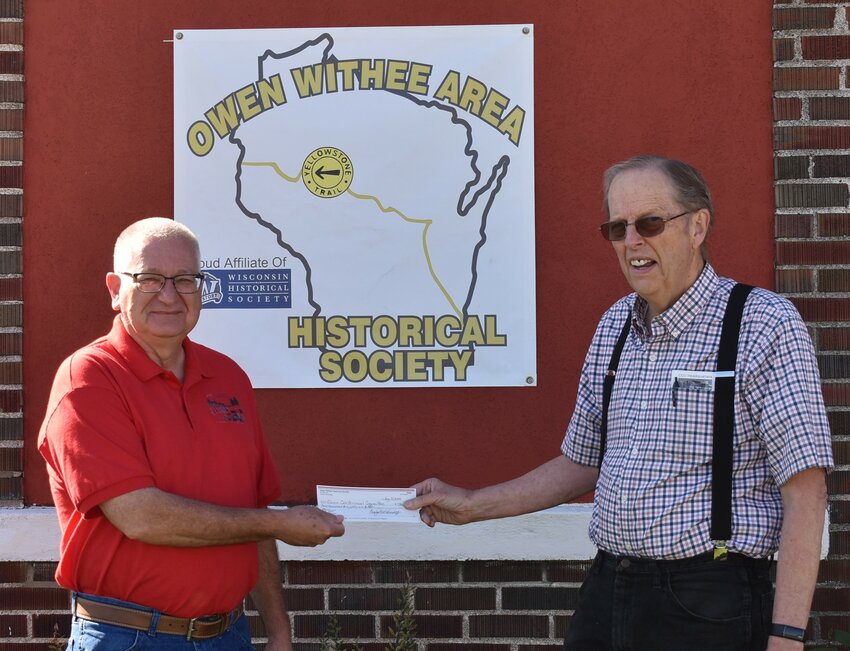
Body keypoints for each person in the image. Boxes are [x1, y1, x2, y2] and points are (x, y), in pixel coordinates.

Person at [405, 155, 834, 651]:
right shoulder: (614, 327)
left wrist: (786, 637)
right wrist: (473, 504)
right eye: (617, 227)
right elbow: (582, 462)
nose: (632, 242)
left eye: (650, 222)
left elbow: (806, 492)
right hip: (608, 589)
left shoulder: (761, 324)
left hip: (708, 602)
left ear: (698, 226)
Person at [37, 217, 345, 650]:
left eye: (185, 279)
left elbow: (252, 514)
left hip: (229, 634)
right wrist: (277, 522)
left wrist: (278, 631)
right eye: (148, 279)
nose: (169, 295)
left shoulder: (228, 377)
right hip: (128, 638)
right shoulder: (88, 378)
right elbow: (139, 516)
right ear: (114, 289)